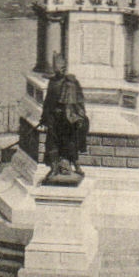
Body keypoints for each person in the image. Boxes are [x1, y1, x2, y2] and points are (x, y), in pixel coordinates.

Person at [39, 53, 89, 182]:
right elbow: (48, 101)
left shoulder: (72, 82)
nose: (59, 70)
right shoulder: (52, 82)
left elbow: (79, 100)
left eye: (61, 68)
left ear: (65, 67)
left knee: (71, 142)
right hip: (54, 118)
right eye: (56, 68)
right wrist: (44, 117)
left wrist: (80, 116)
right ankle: (54, 168)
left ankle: (76, 166)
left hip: (68, 119)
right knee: (52, 143)